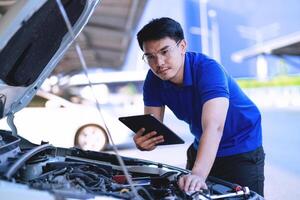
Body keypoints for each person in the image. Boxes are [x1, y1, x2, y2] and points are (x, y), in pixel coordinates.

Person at [133, 17, 265, 196]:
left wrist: (198, 174)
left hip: (241, 147)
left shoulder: (208, 69)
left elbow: (214, 126)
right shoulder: (153, 80)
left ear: (182, 46)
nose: (159, 63)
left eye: (165, 51)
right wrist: (144, 142)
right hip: (202, 146)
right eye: (150, 56)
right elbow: (152, 128)